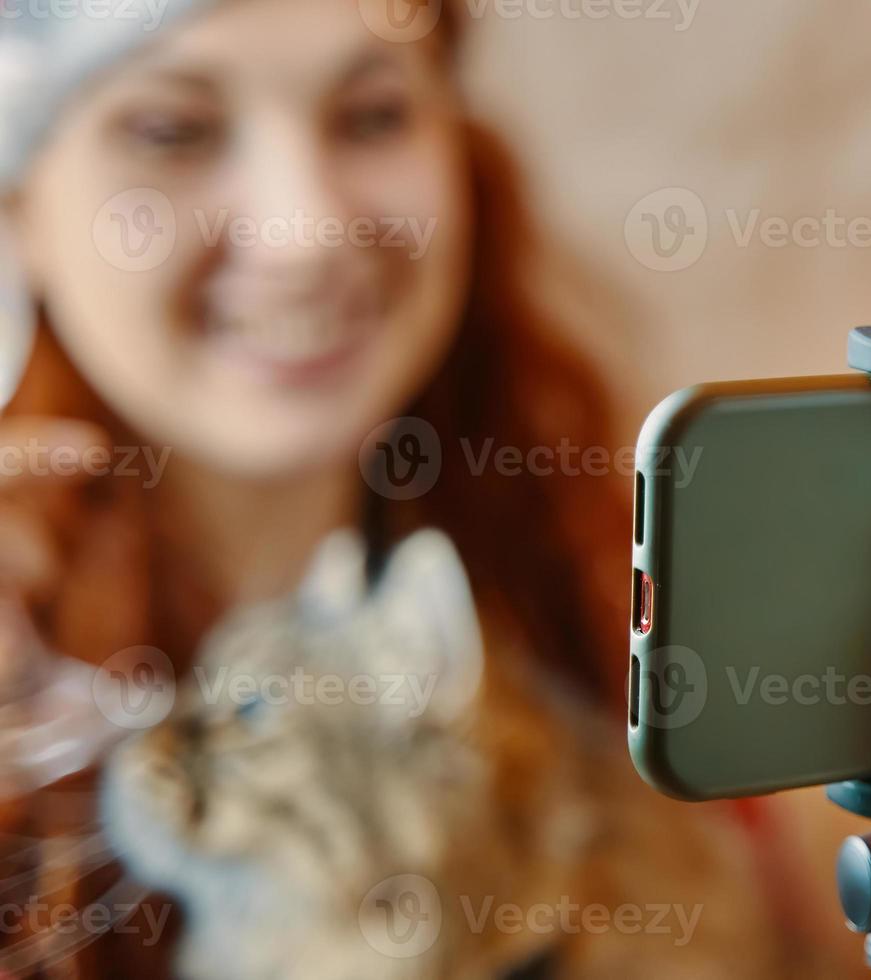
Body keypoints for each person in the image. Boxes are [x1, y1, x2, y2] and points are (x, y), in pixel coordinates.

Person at [0, 1, 762, 974]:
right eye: (172, 130)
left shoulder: (622, 605)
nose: (303, 229)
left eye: (371, 114)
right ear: (18, 204)